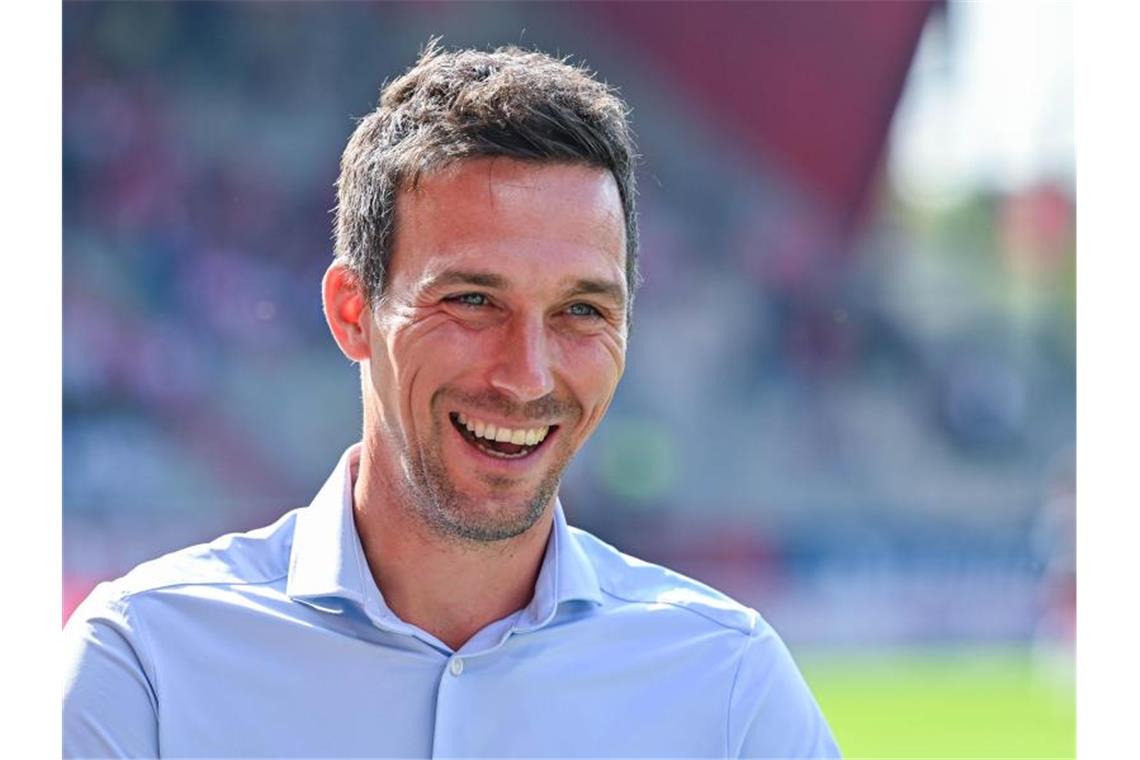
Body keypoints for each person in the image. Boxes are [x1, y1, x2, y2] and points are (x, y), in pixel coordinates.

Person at [63, 42, 840, 758]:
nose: (527, 376)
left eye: (581, 311)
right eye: (472, 300)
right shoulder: (146, 664)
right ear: (351, 312)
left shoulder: (730, 685)